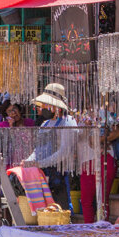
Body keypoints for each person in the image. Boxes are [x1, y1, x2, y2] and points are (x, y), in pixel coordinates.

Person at [28, 83, 78, 211]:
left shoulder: (68, 122)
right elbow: (37, 149)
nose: (42, 107)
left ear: (56, 107)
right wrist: (29, 161)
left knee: (61, 209)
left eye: (45, 104)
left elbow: (64, 152)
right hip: (42, 174)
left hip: (60, 174)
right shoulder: (45, 124)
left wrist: (40, 163)